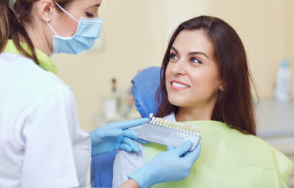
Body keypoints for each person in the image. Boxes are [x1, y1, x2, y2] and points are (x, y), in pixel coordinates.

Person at [0, 0, 201, 187]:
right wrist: (143, 178)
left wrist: (84, 144)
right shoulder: (49, 93)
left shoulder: (3, 68)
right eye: (89, 13)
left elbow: (16, 156)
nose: (96, 23)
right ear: (47, 9)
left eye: (196, 60)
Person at [113, 16, 293, 187]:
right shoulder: (137, 146)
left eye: (195, 60)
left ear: (224, 79)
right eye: (174, 56)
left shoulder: (258, 154)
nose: (176, 68)